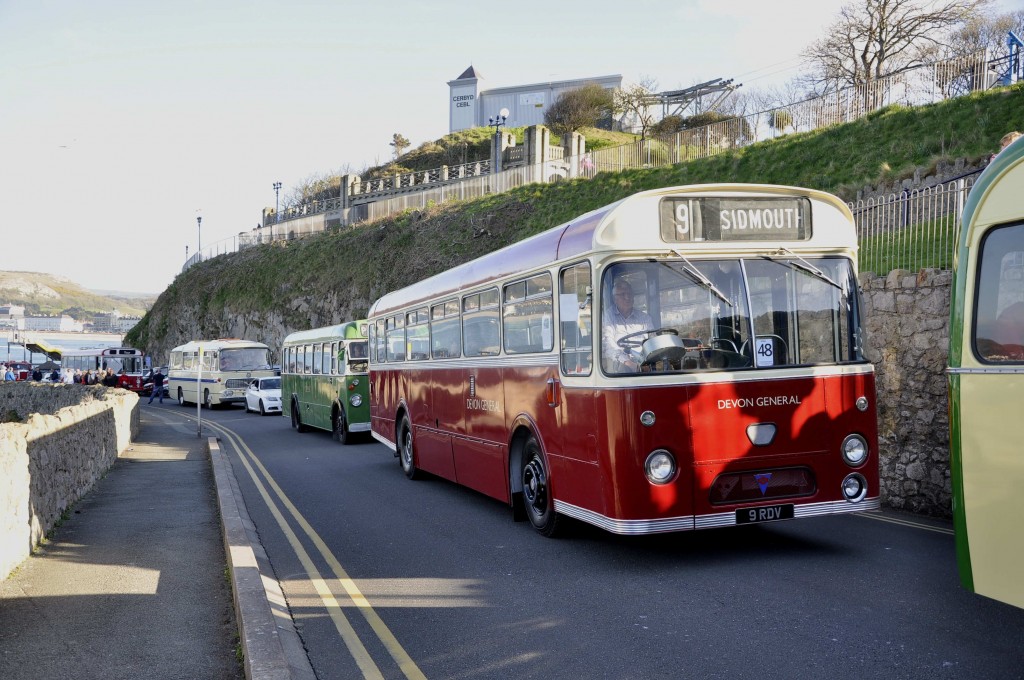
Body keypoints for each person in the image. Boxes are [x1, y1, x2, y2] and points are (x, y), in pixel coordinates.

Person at [602, 277, 654, 373]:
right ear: (615, 299)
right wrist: (628, 363)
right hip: (619, 365)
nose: (627, 297)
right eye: (622, 294)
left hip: (643, 363)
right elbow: (609, 345)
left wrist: (648, 362)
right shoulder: (608, 316)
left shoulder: (644, 318)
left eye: (629, 294)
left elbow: (652, 341)